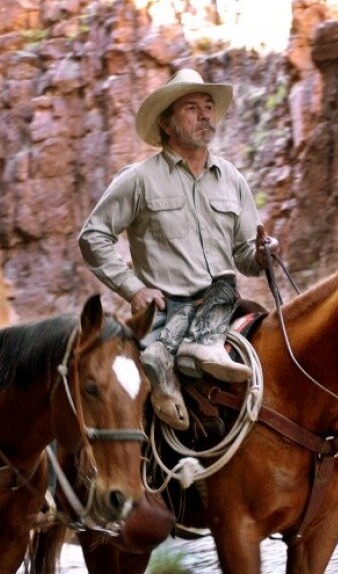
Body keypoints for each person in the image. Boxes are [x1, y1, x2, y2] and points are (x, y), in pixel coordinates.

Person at [78, 69, 279, 430]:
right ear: (167, 125)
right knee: (128, 414)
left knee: (272, 369)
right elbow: (93, 236)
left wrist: (263, 254)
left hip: (224, 304)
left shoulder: (232, 179)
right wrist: (134, 289)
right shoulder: (138, 178)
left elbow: (245, 256)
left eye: (208, 107)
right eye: (192, 107)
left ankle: (186, 353)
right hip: (163, 310)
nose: (205, 115)